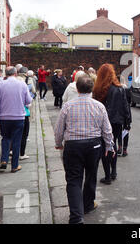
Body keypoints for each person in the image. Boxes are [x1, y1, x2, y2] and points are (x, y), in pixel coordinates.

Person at [54, 76, 115, 224]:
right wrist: (109, 146)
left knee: (74, 180)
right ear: (91, 89)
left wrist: (58, 143)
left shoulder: (68, 106)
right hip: (94, 146)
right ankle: (88, 204)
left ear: (77, 89)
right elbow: (107, 129)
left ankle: (76, 217)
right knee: (91, 176)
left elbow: (59, 129)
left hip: (73, 145)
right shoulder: (99, 106)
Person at [93, 64, 131, 185]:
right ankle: (114, 172)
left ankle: (107, 176)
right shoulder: (119, 88)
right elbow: (126, 107)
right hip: (117, 122)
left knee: (104, 147)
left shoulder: (98, 89)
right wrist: (127, 122)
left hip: (103, 122)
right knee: (113, 144)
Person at [0, 66, 32, 173]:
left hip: (4, 118)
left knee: (5, 138)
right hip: (18, 117)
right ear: (15, 73)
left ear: (6, 74)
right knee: (16, 141)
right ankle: (14, 166)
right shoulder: (22, 84)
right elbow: (28, 100)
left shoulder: (0, 85)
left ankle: (4, 160)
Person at [16, 67, 33, 161]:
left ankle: (12, 153)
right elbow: (28, 101)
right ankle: (22, 154)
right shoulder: (23, 86)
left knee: (13, 136)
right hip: (24, 113)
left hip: (13, 114)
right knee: (24, 135)